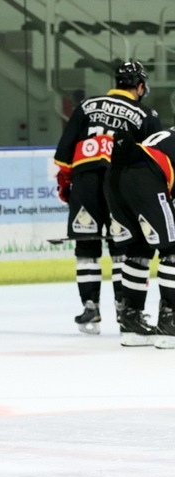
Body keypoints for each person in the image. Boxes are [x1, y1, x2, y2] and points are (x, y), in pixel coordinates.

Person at [54, 60, 161, 336]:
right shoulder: (146, 114)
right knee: (122, 246)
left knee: (86, 245)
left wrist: (67, 181)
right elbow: (154, 160)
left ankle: (90, 306)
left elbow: (63, 155)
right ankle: (123, 306)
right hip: (120, 183)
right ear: (140, 86)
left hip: (85, 181)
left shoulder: (87, 106)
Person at [107, 127, 175, 348]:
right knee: (172, 250)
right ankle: (170, 321)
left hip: (115, 176)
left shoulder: (169, 135)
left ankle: (131, 322)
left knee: (139, 250)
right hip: (146, 176)